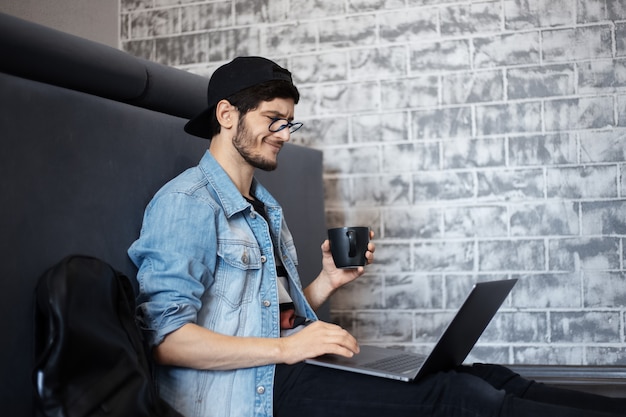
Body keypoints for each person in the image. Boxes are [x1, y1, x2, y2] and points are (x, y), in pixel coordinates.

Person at [128, 56, 626, 417]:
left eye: (289, 121)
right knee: (461, 400)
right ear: (226, 115)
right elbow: (166, 341)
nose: (283, 132)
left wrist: (323, 285)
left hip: (282, 367)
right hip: (245, 394)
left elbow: (268, 314)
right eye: (272, 119)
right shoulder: (187, 203)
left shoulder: (264, 206)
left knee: (490, 377)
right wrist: (288, 348)